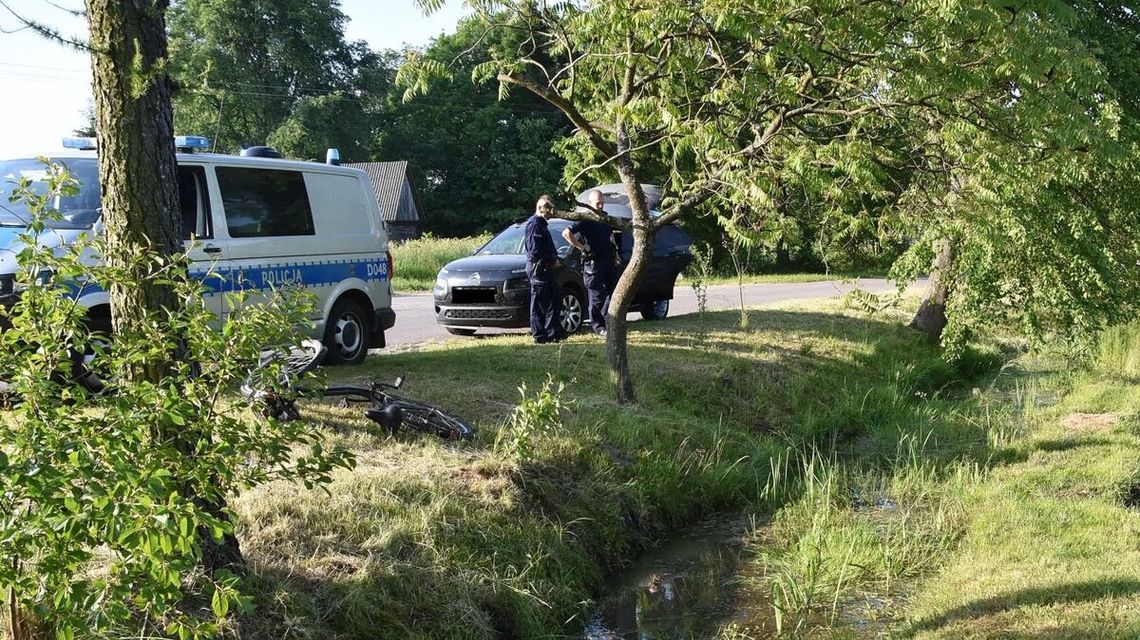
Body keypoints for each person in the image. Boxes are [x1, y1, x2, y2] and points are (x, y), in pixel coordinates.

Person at [562, 189, 621, 336]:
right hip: (593, 263)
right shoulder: (585, 219)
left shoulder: (605, 218)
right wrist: (581, 247)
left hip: (608, 261)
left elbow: (610, 236)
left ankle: (608, 321)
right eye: (597, 203)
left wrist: (616, 253)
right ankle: (598, 327)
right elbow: (566, 233)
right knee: (596, 296)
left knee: (613, 293)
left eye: (602, 203)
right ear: (590, 203)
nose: (600, 206)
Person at [524, 195, 563, 343]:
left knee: (555, 299)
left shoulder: (542, 224)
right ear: (541, 208)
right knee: (539, 304)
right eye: (549, 209)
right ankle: (539, 336)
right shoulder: (534, 225)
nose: (551, 213)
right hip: (538, 269)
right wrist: (552, 260)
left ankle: (552, 332)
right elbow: (535, 251)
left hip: (546, 269)